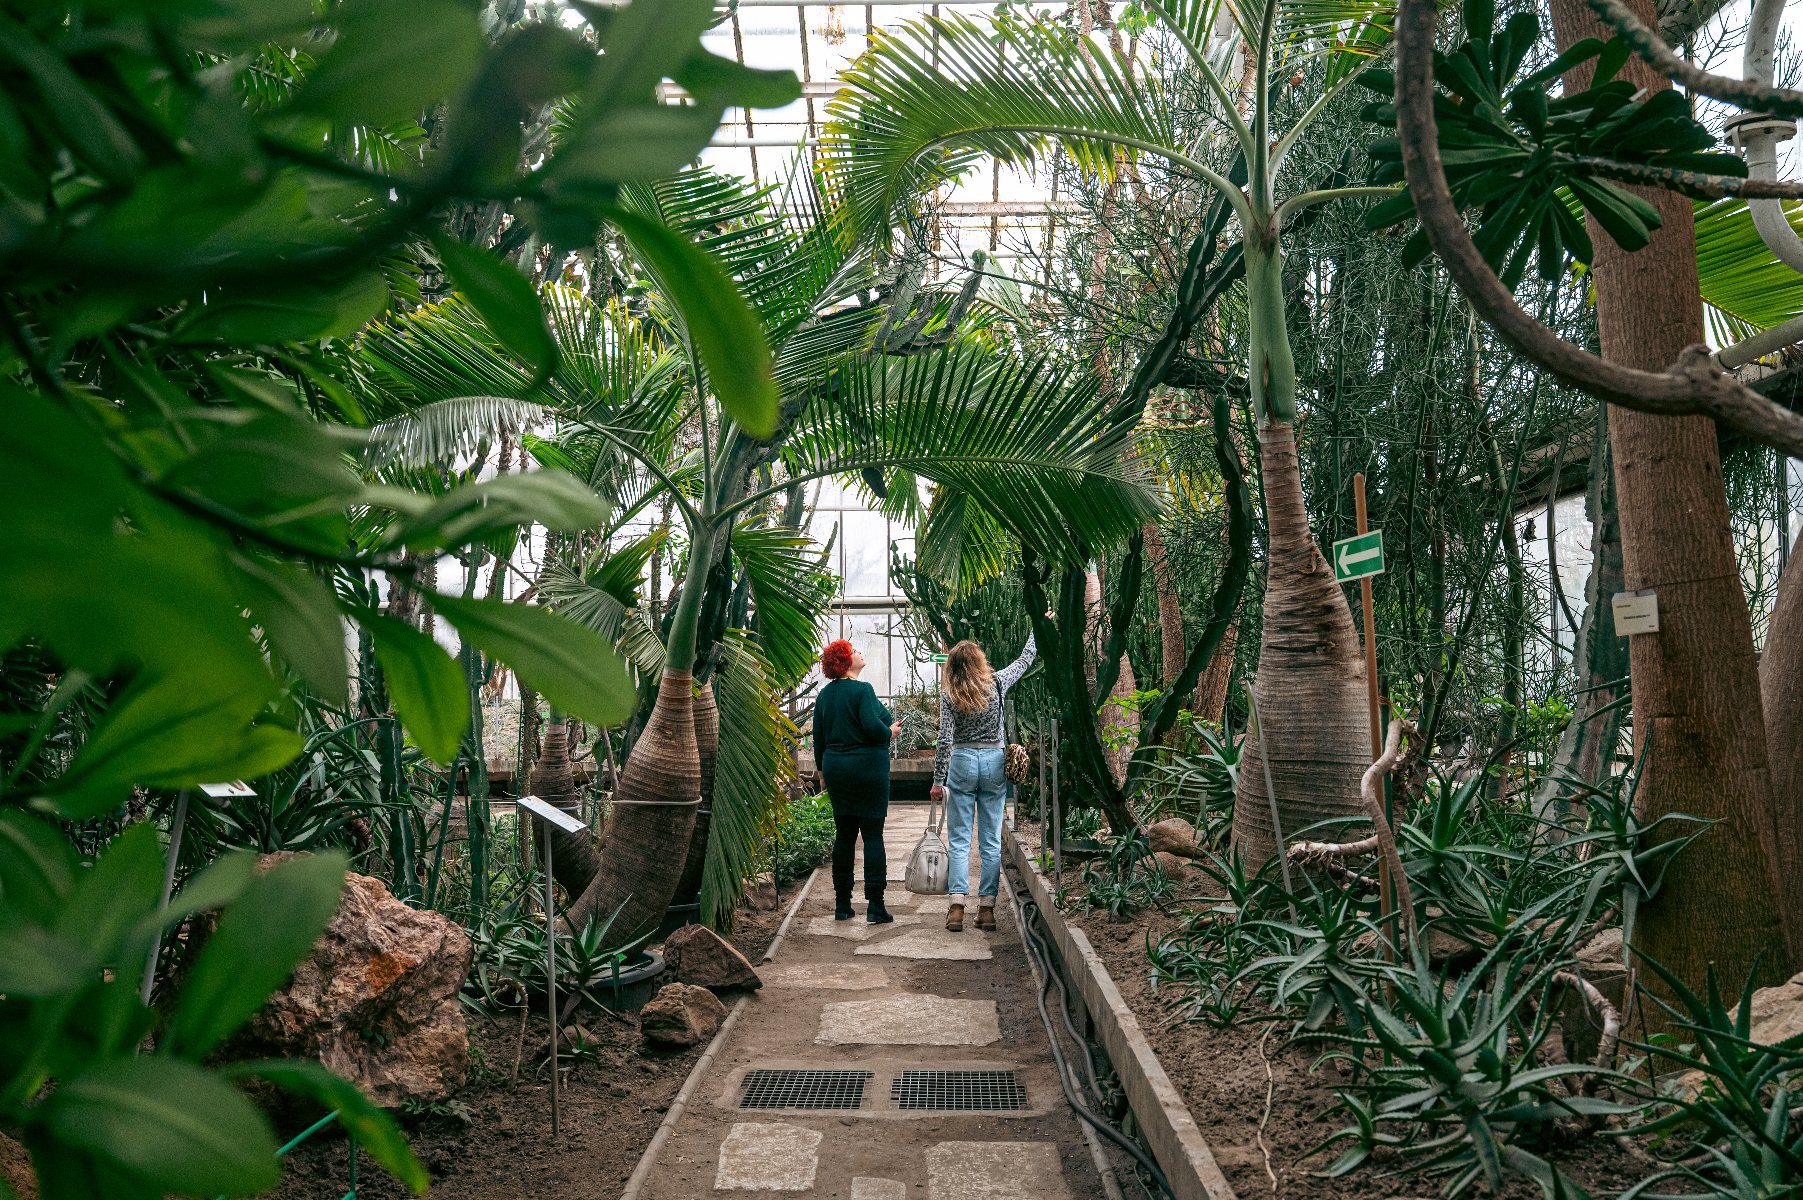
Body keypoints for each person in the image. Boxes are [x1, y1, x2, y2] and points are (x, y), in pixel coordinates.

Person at [931, 622, 1041, 933]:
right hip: (994, 761)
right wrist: (1037, 626)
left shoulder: (949, 693)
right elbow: (1025, 659)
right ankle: (987, 909)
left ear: (952, 667)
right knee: (991, 839)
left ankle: (956, 908)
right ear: (980, 662)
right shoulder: (998, 682)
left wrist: (938, 781)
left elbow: (945, 739)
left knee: (960, 839)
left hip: (962, 762)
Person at [812, 639, 900, 923]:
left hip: (836, 769)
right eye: (854, 651)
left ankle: (842, 904)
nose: (860, 653)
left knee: (845, 834)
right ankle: (875, 905)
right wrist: (890, 733)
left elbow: (819, 739)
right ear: (846, 661)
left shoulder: (824, 696)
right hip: (867, 769)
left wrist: (823, 774)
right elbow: (874, 727)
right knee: (872, 835)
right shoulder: (863, 690)